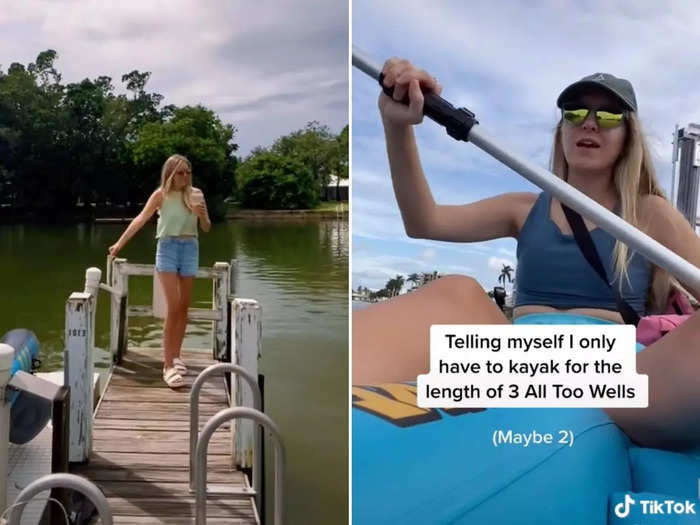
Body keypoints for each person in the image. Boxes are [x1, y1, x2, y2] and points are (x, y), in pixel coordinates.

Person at [353, 58, 700, 449]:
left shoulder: (651, 213)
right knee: (460, 292)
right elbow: (424, 221)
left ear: (627, 136)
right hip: (518, 358)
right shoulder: (522, 208)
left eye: (607, 115)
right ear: (562, 130)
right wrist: (397, 126)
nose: (589, 122)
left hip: (615, 371)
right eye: (575, 113)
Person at [109, 154, 211, 388]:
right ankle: (167, 366)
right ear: (170, 174)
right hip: (167, 247)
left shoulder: (196, 194)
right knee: (173, 306)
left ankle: (176, 355)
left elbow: (206, 228)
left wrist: (202, 215)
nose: (185, 176)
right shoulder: (160, 195)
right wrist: (119, 244)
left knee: (184, 306)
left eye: (188, 172)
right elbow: (140, 219)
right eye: (180, 173)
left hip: (190, 247)